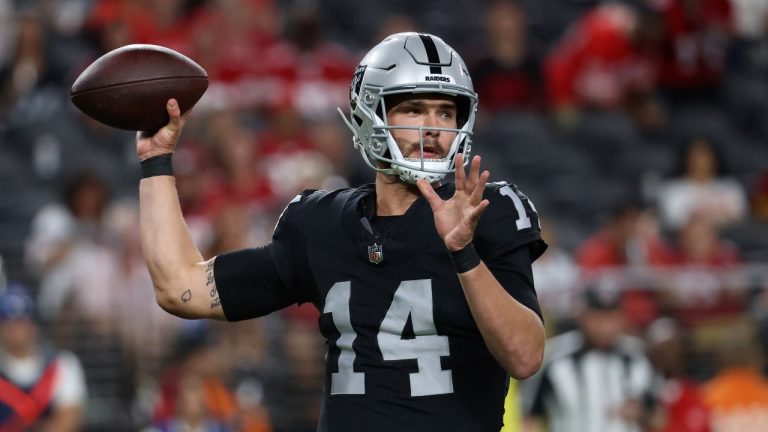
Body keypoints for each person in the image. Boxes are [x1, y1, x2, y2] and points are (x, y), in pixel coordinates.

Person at [136, 32, 547, 431]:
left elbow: (525, 356)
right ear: (370, 114)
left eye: (445, 112)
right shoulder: (322, 223)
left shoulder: (487, 210)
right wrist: (157, 159)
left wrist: (464, 253)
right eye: (414, 109)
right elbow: (179, 287)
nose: (434, 128)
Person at [521, 288, 656, 432]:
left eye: (611, 318)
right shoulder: (555, 357)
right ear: (582, 317)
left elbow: (658, 417)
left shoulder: (638, 357)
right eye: (598, 318)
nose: (605, 327)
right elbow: (529, 416)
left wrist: (641, 413)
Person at [0, 286, 87, 431]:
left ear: (34, 325)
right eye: (8, 322)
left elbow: (70, 417)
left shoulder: (61, 364)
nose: (15, 329)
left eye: (22, 321)